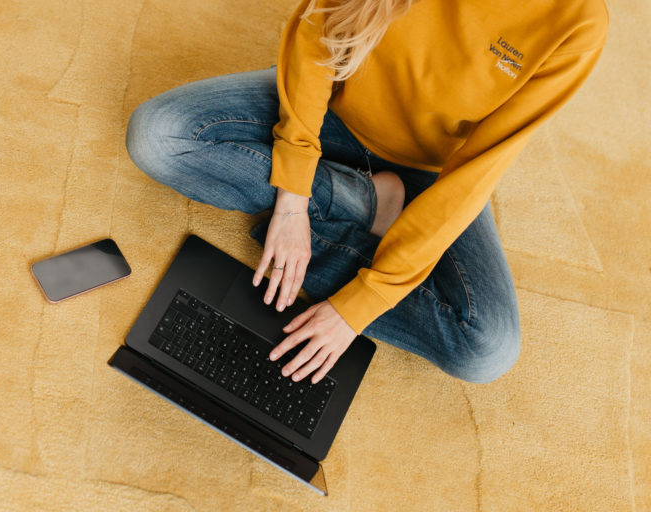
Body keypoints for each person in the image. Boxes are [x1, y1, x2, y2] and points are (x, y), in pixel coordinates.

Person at [125, 0, 608, 384]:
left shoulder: (578, 22)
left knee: (486, 349)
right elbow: (316, 40)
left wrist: (358, 307)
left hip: (432, 171)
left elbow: (475, 173)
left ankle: (364, 204)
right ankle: (364, 202)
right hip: (331, 109)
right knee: (158, 136)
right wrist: (292, 202)